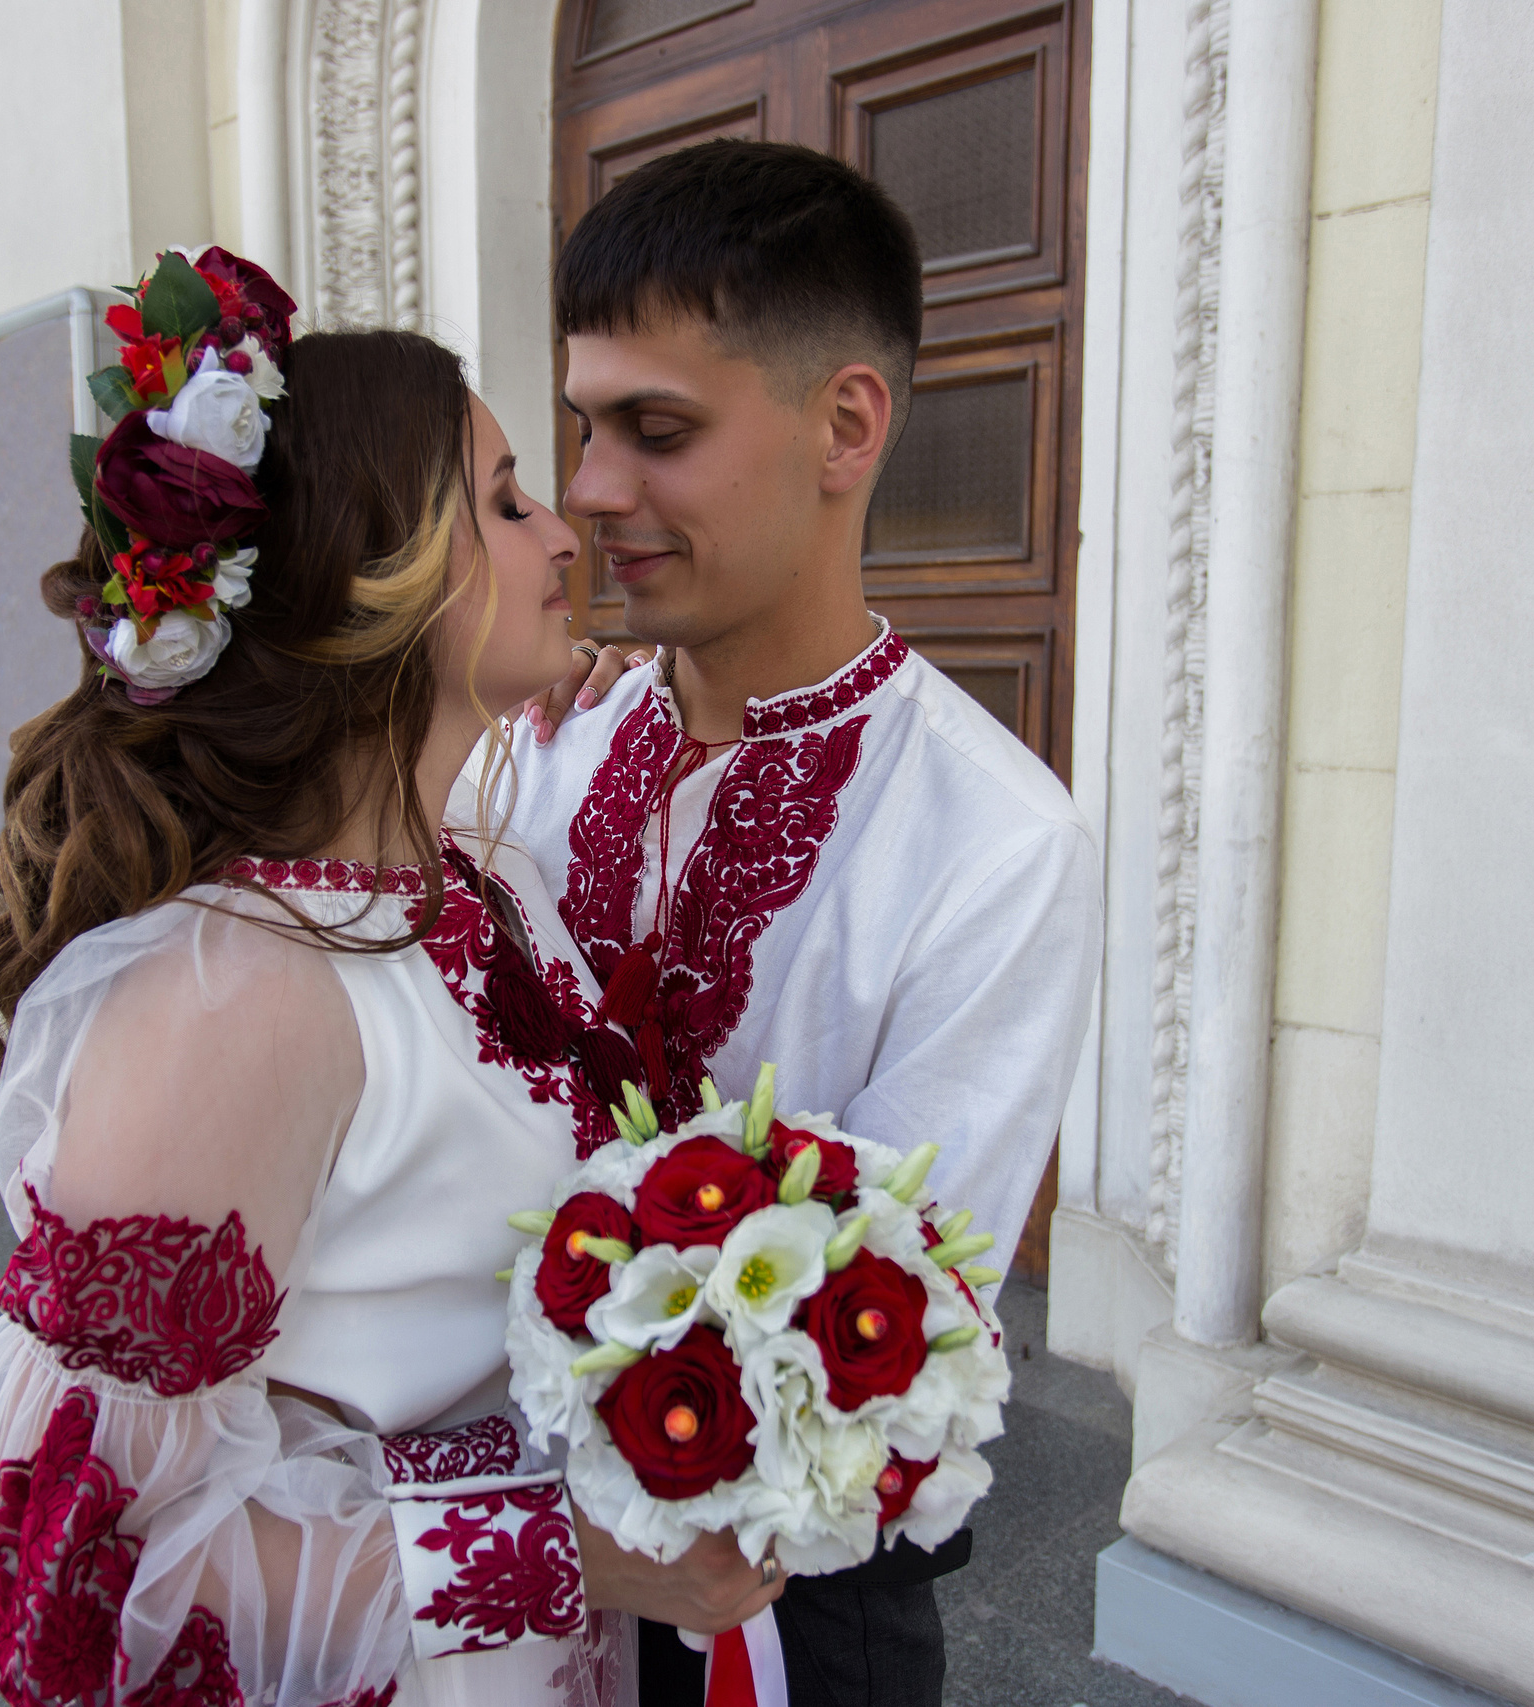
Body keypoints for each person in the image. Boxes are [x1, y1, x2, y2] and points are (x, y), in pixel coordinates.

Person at [0, 253, 781, 1707]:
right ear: (373, 581)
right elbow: (88, 1561)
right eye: (504, 502)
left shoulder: (488, 883)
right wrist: (564, 1551)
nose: (563, 531)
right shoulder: (233, 999)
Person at [491, 142, 1105, 1707]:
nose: (592, 488)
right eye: (583, 426)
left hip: (782, 1591)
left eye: (658, 431)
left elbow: (885, 1311)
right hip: (508, 1546)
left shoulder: (991, 837)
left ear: (845, 426)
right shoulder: (547, 741)